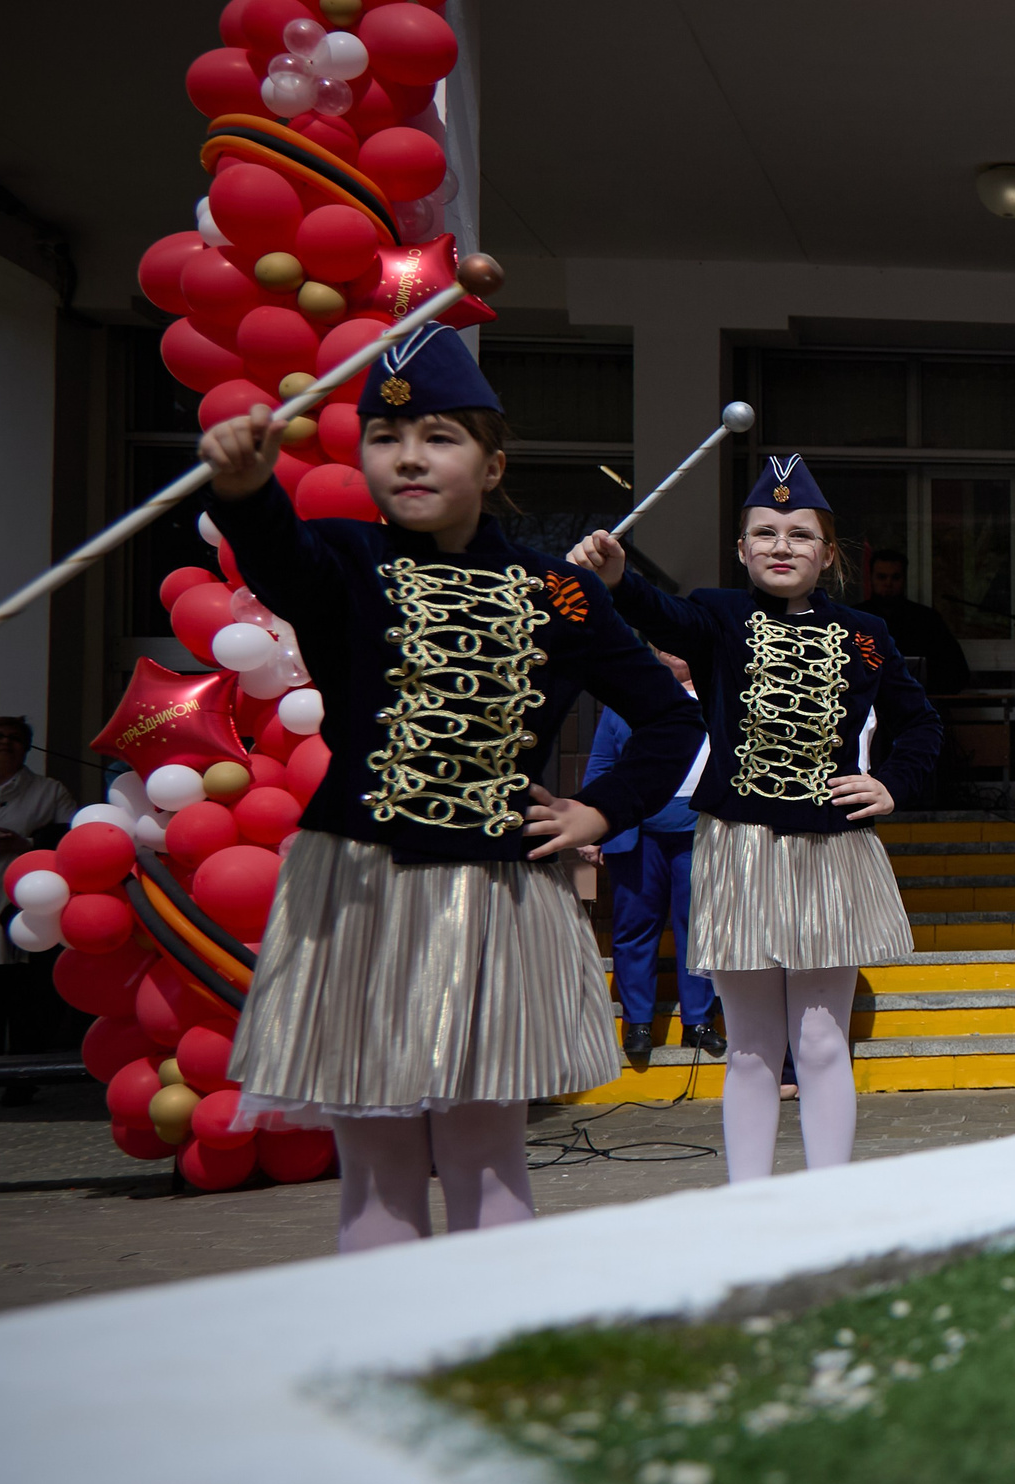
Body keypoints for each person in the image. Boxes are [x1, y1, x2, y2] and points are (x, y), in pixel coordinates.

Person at [199, 326, 706, 1251]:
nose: (410, 458)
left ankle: (489, 1375)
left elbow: (671, 716)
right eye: (386, 440)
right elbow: (278, 558)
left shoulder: (558, 591)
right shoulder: (343, 561)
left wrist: (601, 808)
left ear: (492, 459)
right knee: (379, 1174)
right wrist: (242, 485)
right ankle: (392, 1377)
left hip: (497, 896)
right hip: (359, 894)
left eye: (439, 437)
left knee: (487, 1158)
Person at [572, 455, 940, 1187]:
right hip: (739, 847)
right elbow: (661, 613)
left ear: (828, 553)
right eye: (764, 532)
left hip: (831, 851)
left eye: (800, 534)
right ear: (741, 548)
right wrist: (616, 580)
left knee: (824, 1039)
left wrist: (892, 784)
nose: (781, 545)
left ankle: (825, 1206)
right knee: (749, 1046)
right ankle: (750, 1210)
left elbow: (921, 722)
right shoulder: (718, 614)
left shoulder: (866, 631)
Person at [580, 650, 720, 1066]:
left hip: (702, 829)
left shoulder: (722, 697)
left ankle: (698, 1021)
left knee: (698, 928)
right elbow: (603, 763)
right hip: (636, 830)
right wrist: (594, 827)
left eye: (681, 645)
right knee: (634, 927)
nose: (673, 653)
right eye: (665, 647)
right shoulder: (631, 696)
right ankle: (638, 1022)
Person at [0, 715, 76, 1064]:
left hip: (22, 909)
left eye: (14, 738)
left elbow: (71, 840)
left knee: (24, 996)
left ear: (26, 749)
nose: (4, 743)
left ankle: (22, 1081)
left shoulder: (49, 790)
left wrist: (26, 845)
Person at [858, 548, 972, 700]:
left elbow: (957, 671)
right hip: (867, 709)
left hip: (919, 705)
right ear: (871, 578)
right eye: (882, 577)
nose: (888, 583)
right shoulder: (857, 618)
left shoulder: (927, 620)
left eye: (895, 577)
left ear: (904, 579)